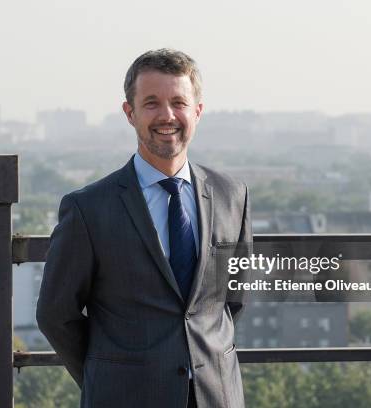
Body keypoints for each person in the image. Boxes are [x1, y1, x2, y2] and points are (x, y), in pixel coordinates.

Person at [37, 48, 251, 408]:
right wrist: (105, 375)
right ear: (130, 113)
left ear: (197, 111)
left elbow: (233, 300)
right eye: (151, 103)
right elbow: (56, 315)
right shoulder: (88, 209)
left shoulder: (233, 195)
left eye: (179, 102)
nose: (167, 115)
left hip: (216, 395)